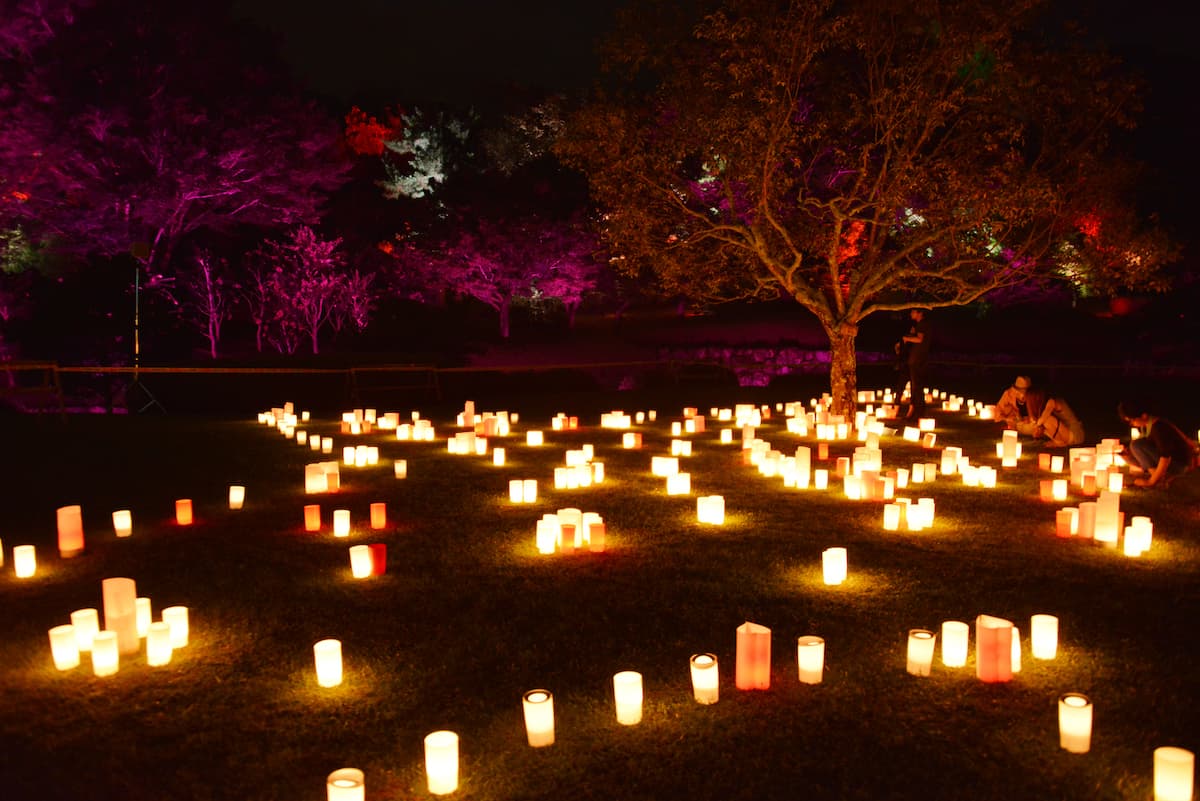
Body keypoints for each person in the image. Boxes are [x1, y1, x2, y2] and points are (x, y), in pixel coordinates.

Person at [1117, 402, 1199, 488]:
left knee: (1136, 445)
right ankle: (1160, 477)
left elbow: (1165, 457)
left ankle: (1158, 478)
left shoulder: (1159, 427)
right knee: (1130, 457)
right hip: (1170, 463)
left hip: (1179, 465)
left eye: (1132, 420)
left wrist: (1150, 482)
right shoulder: (1147, 426)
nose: (1131, 424)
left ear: (1143, 415)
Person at [893, 308, 931, 418]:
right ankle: (914, 412)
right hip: (914, 360)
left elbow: (919, 339)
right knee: (915, 386)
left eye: (913, 311)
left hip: (917, 360)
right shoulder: (918, 325)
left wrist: (906, 338)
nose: (911, 313)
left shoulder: (923, 324)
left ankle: (917, 412)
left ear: (920, 313)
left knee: (917, 387)